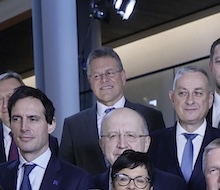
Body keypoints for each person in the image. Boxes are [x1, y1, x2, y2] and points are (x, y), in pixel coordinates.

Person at [60, 47, 167, 177]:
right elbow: (66, 173)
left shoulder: (151, 117)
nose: (104, 80)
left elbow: (160, 165)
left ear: (123, 76)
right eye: (97, 75)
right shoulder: (73, 125)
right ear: (90, 82)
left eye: (110, 73)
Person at [149, 66, 220, 190]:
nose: (190, 100)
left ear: (210, 99)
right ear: (172, 98)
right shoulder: (152, 143)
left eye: (198, 93)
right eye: (183, 93)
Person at [89, 107, 192, 190]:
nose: (122, 144)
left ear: (146, 143)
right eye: (113, 136)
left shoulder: (173, 188)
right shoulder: (91, 186)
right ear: (101, 144)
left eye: (131, 136)